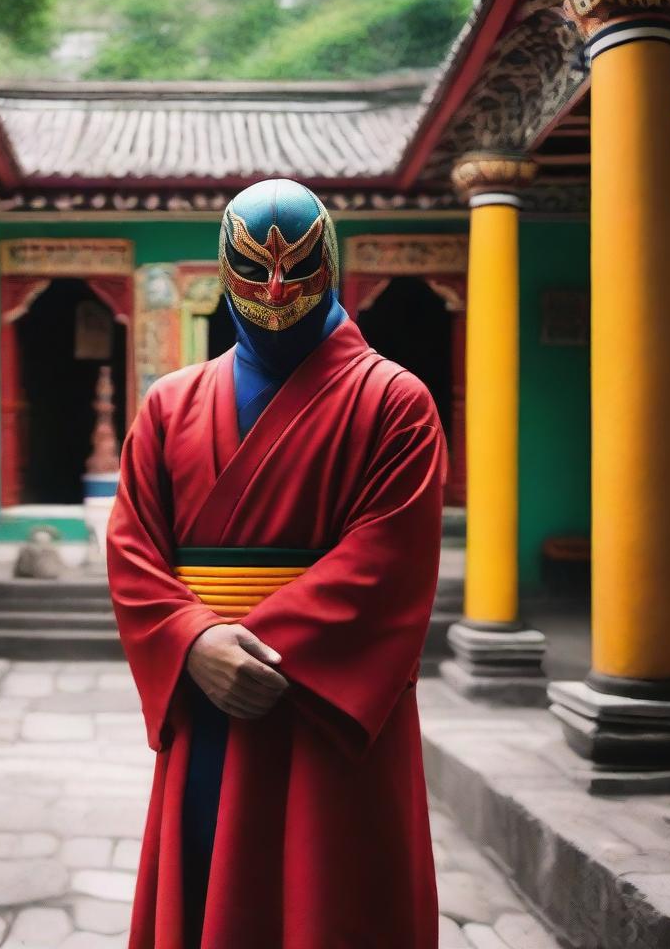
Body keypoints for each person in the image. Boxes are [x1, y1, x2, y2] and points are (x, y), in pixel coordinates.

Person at [107, 178, 446, 948]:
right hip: (205, 689)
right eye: (254, 270)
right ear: (222, 273)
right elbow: (133, 550)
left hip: (324, 706)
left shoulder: (396, 402)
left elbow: (386, 566)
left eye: (295, 267)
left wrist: (248, 651)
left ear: (329, 264)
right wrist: (192, 641)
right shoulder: (169, 404)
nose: (275, 287)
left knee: (330, 899)